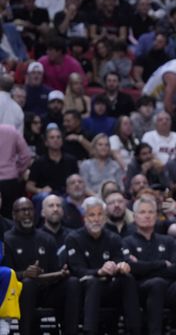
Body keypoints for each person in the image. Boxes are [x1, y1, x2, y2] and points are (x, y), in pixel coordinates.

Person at [122, 195, 176, 335]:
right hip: (141, 289)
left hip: (168, 287)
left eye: (150, 212)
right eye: (142, 212)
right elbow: (132, 268)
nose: (147, 216)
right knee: (157, 283)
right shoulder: (127, 241)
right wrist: (162, 264)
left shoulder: (167, 240)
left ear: (156, 216)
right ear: (135, 217)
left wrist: (145, 267)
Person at [65, 197, 141, 335]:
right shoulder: (74, 238)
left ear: (105, 218)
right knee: (94, 282)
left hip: (109, 286)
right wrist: (99, 271)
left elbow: (121, 259)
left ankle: (135, 330)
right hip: (84, 288)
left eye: (100, 214)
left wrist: (122, 266)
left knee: (128, 278)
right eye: (92, 215)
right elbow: (77, 270)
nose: (96, 219)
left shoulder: (113, 238)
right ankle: (90, 331)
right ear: (84, 218)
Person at [4, 197, 80, 335]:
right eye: (22, 210)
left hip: (47, 291)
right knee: (28, 283)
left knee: (72, 283)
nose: (27, 213)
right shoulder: (7, 240)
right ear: (14, 215)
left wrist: (61, 273)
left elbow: (55, 271)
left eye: (30, 210)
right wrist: (25, 274)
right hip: (20, 294)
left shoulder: (46, 238)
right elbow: (5, 274)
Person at [0, 124, 33, 218]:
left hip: (10, 179)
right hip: (10, 180)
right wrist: (18, 171)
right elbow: (26, 156)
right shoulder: (11, 131)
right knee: (10, 216)